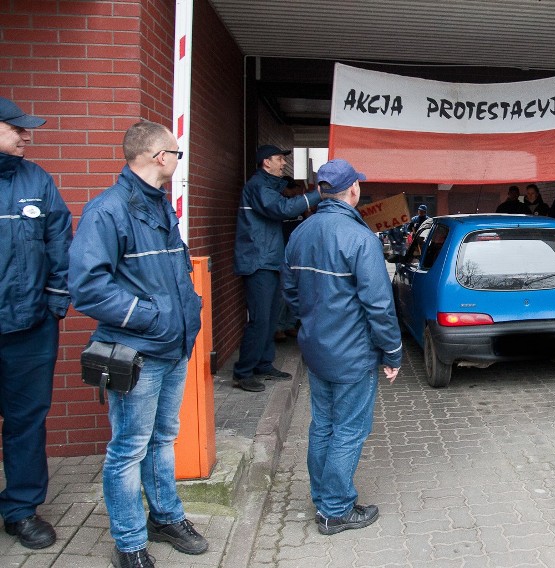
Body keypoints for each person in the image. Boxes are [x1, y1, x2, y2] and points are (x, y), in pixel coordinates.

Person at [69, 120, 209, 567]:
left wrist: (186, 314)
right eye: (176, 152)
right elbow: (88, 288)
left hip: (171, 347)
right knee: (128, 448)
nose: (178, 159)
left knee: (162, 438)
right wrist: (151, 318)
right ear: (157, 157)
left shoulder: (158, 206)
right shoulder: (108, 210)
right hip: (139, 352)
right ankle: (129, 543)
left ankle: (165, 517)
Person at [282, 158, 402, 536]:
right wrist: (393, 353)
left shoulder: (300, 233)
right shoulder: (361, 238)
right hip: (352, 354)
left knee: (323, 425)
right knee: (349, 429)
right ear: (353, 190)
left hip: (316, 349)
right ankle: (335, 510)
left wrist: (314, 323)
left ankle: (323, 498)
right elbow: (379, 305)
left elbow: (290, 293)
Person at [0, 97, 71, 550]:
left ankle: (21, 509)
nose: (27, 136)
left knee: (27, 420)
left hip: (29, 327)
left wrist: (54, 303)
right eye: (17, 129)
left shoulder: (36, 180)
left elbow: (60, 241)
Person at [232, 145, 321, 392]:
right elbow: (282, 209)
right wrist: (317, 194)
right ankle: (243, 372)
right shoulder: (258, 187)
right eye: (280, 159)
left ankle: (263, 364)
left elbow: (284, 196)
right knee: (260, 319)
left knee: (270, 318)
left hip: (268, 260)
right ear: (266, 162)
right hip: (257, 262)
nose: (284, 163)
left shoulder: (268, 186)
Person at [275, 176, 310, 342]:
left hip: (299, 252)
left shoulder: (300, 206)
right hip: (283, 251)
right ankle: (279, 327)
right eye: (296, 188)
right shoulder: (282, 205)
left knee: (299, 289)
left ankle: (290, 324)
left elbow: (308, 221)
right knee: (284, 291)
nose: (299, 192)